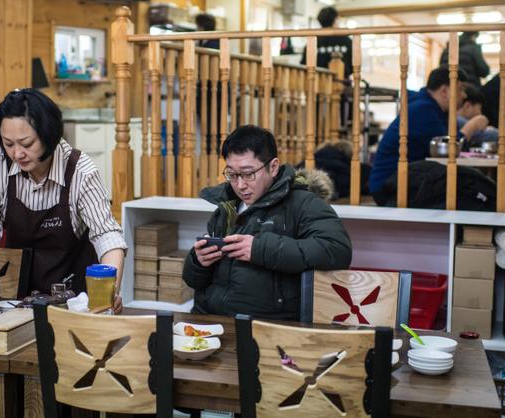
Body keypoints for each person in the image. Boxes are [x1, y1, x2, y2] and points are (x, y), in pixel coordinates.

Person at [0, 88, 126, 313]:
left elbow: (107, 236)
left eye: (27, 143)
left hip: (74, 304)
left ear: (49, 134)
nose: (17, 154)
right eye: (8, 144)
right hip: (14, 302)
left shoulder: (80, 170)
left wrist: (110, 290)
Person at [182, 125, 352, 320]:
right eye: (232, 174)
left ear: (273, 167)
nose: (240, 185)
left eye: (248, 174)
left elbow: (338, 250)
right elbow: (193, 281)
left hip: (264, 326)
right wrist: (198, 261)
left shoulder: (304, 203)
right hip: (208, 319)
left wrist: (259, 249)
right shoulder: (226, 206)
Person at [369, 67, 489, 205]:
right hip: (390, 186)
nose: (464, 95)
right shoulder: (423, 110)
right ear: (444, 91)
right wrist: (472, 126)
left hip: (407, 179)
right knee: (468, 191)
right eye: (460, 89)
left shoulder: (435, 109)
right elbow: (449, 148)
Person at [301, 6, 352, 78]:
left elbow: (304, 65)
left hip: (318, 83)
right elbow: (353, 64)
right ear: (335, 19)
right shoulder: (346, 39)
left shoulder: (312, 42)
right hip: (343, 82)